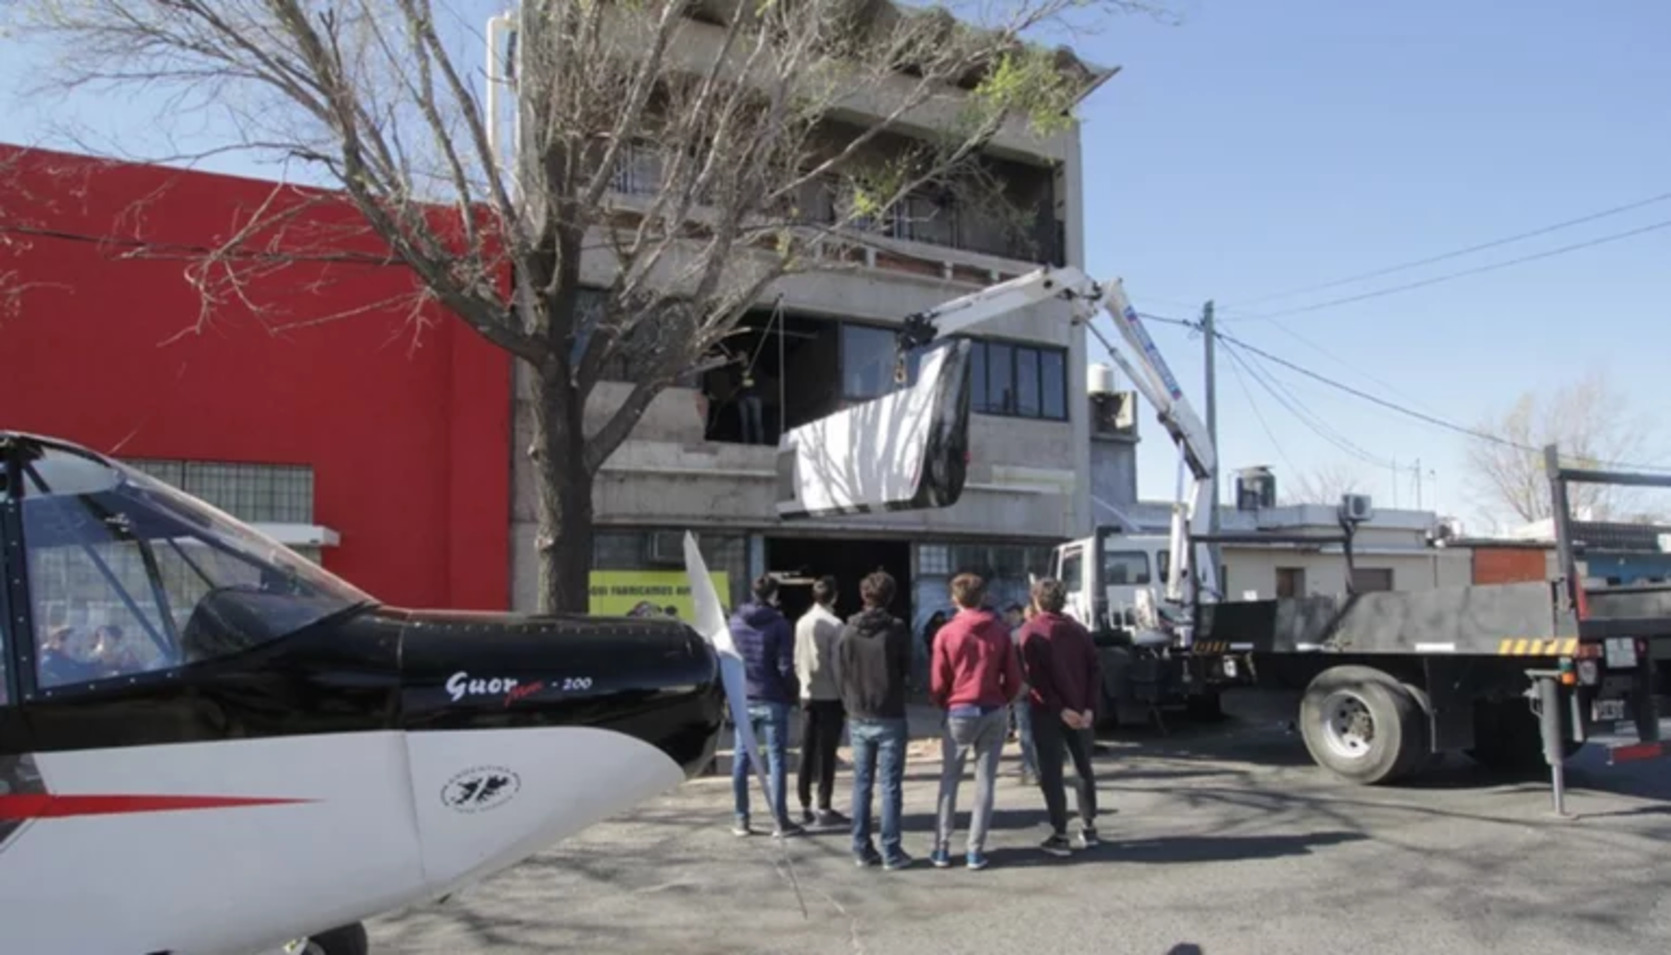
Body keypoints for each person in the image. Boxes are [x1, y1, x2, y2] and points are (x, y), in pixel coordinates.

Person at [928, 573, 1025, 870]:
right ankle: (974, 850)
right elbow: (1013, 676)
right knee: (985, 782)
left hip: (959, 709)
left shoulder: (946, 633)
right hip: (993, 708)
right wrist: (1004, 699)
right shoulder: (999, 631)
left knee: (950, 780)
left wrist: (945, 702)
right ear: (983, 598)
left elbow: (937, 681)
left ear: (954, 599)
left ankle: (942, 847)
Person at [834, 570, 914, 870]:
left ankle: (861, 847)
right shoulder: (895, 629)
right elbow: (906, 667)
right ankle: (891, 851)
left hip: (858, 713)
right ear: (890, 597)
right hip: (890, 711)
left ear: (863, 595)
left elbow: (839, 670)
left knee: (862, 784)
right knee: (890, 785)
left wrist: (849, 700)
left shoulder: (847, 630)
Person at [1018, 577, 1102, 857]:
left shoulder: (1031, 632)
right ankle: (1089, 826)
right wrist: (1088, 707)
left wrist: (1058, 708)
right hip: (1081, 710)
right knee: (1082, 767)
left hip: (1048, 712)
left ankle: (1060, 833)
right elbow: (1094, 670)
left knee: (1051, 772)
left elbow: (1036, 679)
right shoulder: (1079, 630)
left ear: (1037, 600)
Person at [728, 575, 802, 838]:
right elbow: (784, 666)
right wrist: (793, 693)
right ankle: (779, 820)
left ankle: (741, 818)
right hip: (773, 697)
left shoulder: (734, 622)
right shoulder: (780, 625)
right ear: (773, 595)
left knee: (741, 758)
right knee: (776, 760)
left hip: (744, 697)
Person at [794, 575, 849, 828]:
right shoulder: (836, 625)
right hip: (830, 695)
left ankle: (803, 804)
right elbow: (838, 665)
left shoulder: (802, 622)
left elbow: (796, 658)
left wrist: (803, 681)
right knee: (827, 753)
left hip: (807, 692)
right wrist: (845, 695)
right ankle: (824, 806)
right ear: (834, 596)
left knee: (807, 750)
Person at [1003, 603, 1039, 785]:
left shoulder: (1016, 635)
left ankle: (1031, 769)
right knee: (1038, 731)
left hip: (1023, 689)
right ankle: (1037, 767)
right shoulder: (1046, 633)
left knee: (1026, 732)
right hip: (1042, 690)